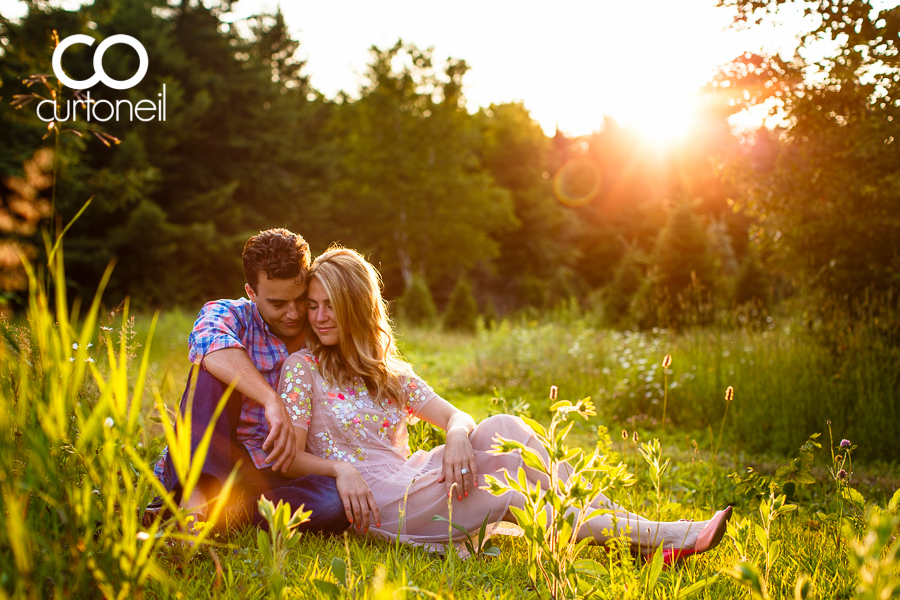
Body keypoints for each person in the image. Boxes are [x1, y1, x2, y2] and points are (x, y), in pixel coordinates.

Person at [276, 246, 731, 559]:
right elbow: (291, 459)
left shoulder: (386, 370)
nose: (317, 317)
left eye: (330, 306)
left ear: (357, 307)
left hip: (412, 475)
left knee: (504, 427)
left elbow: (456, 415)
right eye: (313, 305)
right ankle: (668, 536)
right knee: (513, 493)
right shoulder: (302, 369)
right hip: (381, 504)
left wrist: (456, 436)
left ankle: (622, 524)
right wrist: (340, 469)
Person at [151, 229, 348, 533]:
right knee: (209, 368)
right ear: (252, 292)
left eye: (300, 299)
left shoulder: (321, 323)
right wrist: (271, 400)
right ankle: (193, 502)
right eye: (278, 304)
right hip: (217, 456)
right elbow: (209, 343)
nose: (294, 313)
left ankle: (222, 514)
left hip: (277, 470)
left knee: (334, 500)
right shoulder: (229, 314)